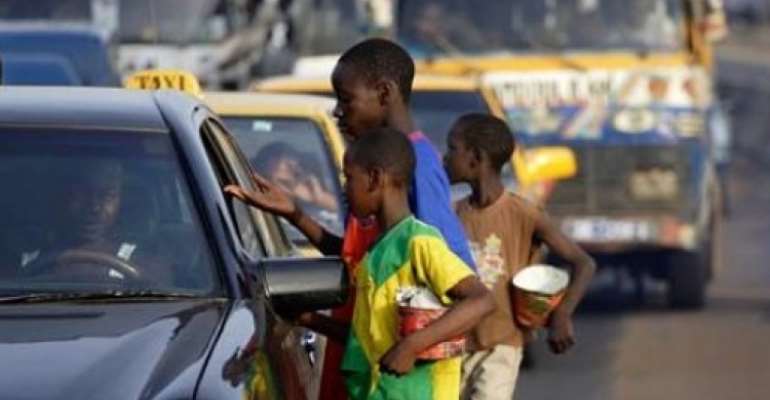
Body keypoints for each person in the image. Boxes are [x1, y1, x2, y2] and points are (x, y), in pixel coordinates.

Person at [225, 37, 476, 400]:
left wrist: (412, 345)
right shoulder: (382, 188)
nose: (338, 112)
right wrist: (296, 214)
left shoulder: (416, 169)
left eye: (346, 99)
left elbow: (457, 283)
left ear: (384, 93)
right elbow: (366, 260)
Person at [305, 127, 494, 399]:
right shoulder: (375, 251)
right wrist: (308, 320)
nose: (345, 189)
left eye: (349, 179)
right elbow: (369, 339)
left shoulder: (419, 241)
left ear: (374, 178)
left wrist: (413, 345)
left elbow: (481, 300)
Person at [443, 114, 596, 400]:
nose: (445, 157)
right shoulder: (452, 214)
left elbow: (583, 263)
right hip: (455, 343)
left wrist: (561, 314)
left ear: (476, 158)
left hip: (502, 342)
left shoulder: (523, 214)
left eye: (452, 149)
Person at [17, 159, 167, 283]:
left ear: (121, 201)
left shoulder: (144, 264)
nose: (94, 207)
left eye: (106, 196)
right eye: (82, 194)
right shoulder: (22, 262)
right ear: (60, 198)